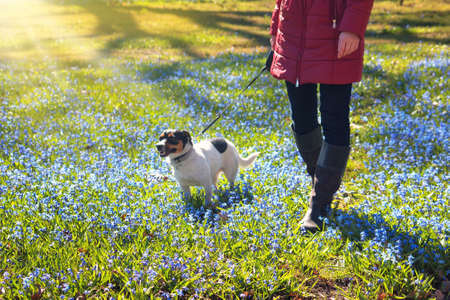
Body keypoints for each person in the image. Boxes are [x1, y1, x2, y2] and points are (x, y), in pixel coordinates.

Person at [269, 0, 374, 231]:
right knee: (302, 116)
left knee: (334, 117)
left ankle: (319, 203)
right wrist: (276, 28)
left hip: (336, 35)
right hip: (293, 37)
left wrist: (352, 28)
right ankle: (319, 181)